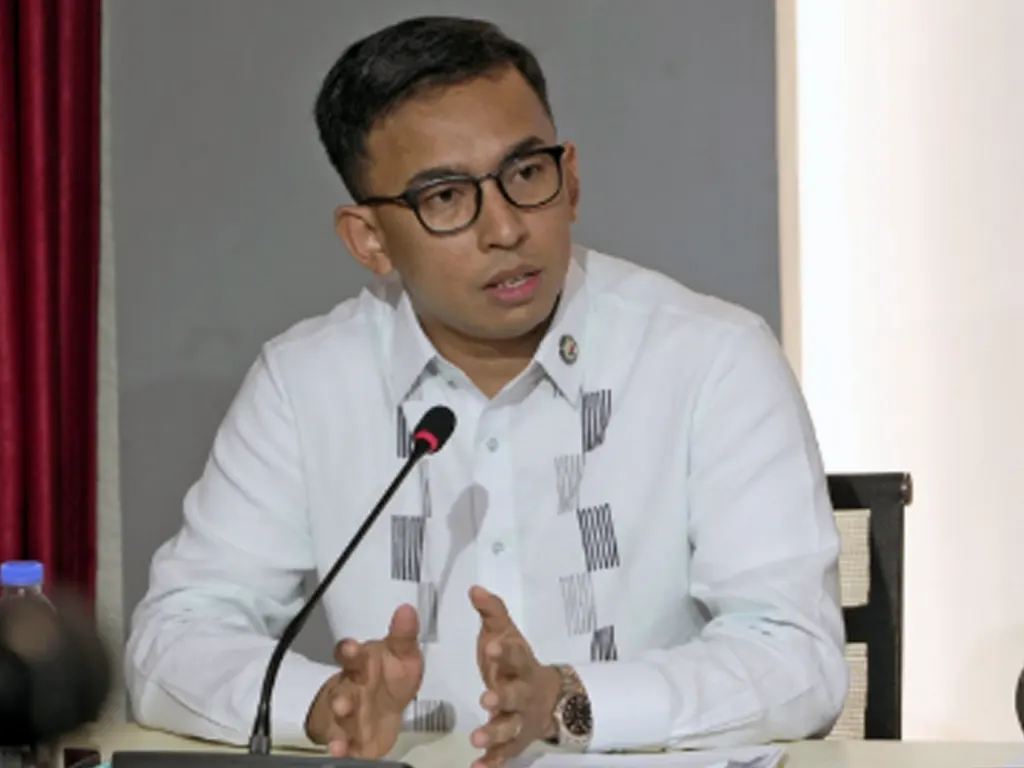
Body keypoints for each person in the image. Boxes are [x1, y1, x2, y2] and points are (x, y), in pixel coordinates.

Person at [125, 14, 848, 766]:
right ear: (369, 240)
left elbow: (796, 655)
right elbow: (174, 638)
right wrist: (323, 705)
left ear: (570, 180)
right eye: (445, 198)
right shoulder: (307, 384)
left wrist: (569, 700)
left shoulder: (710, 358)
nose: (504, 228)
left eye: (525, 174)